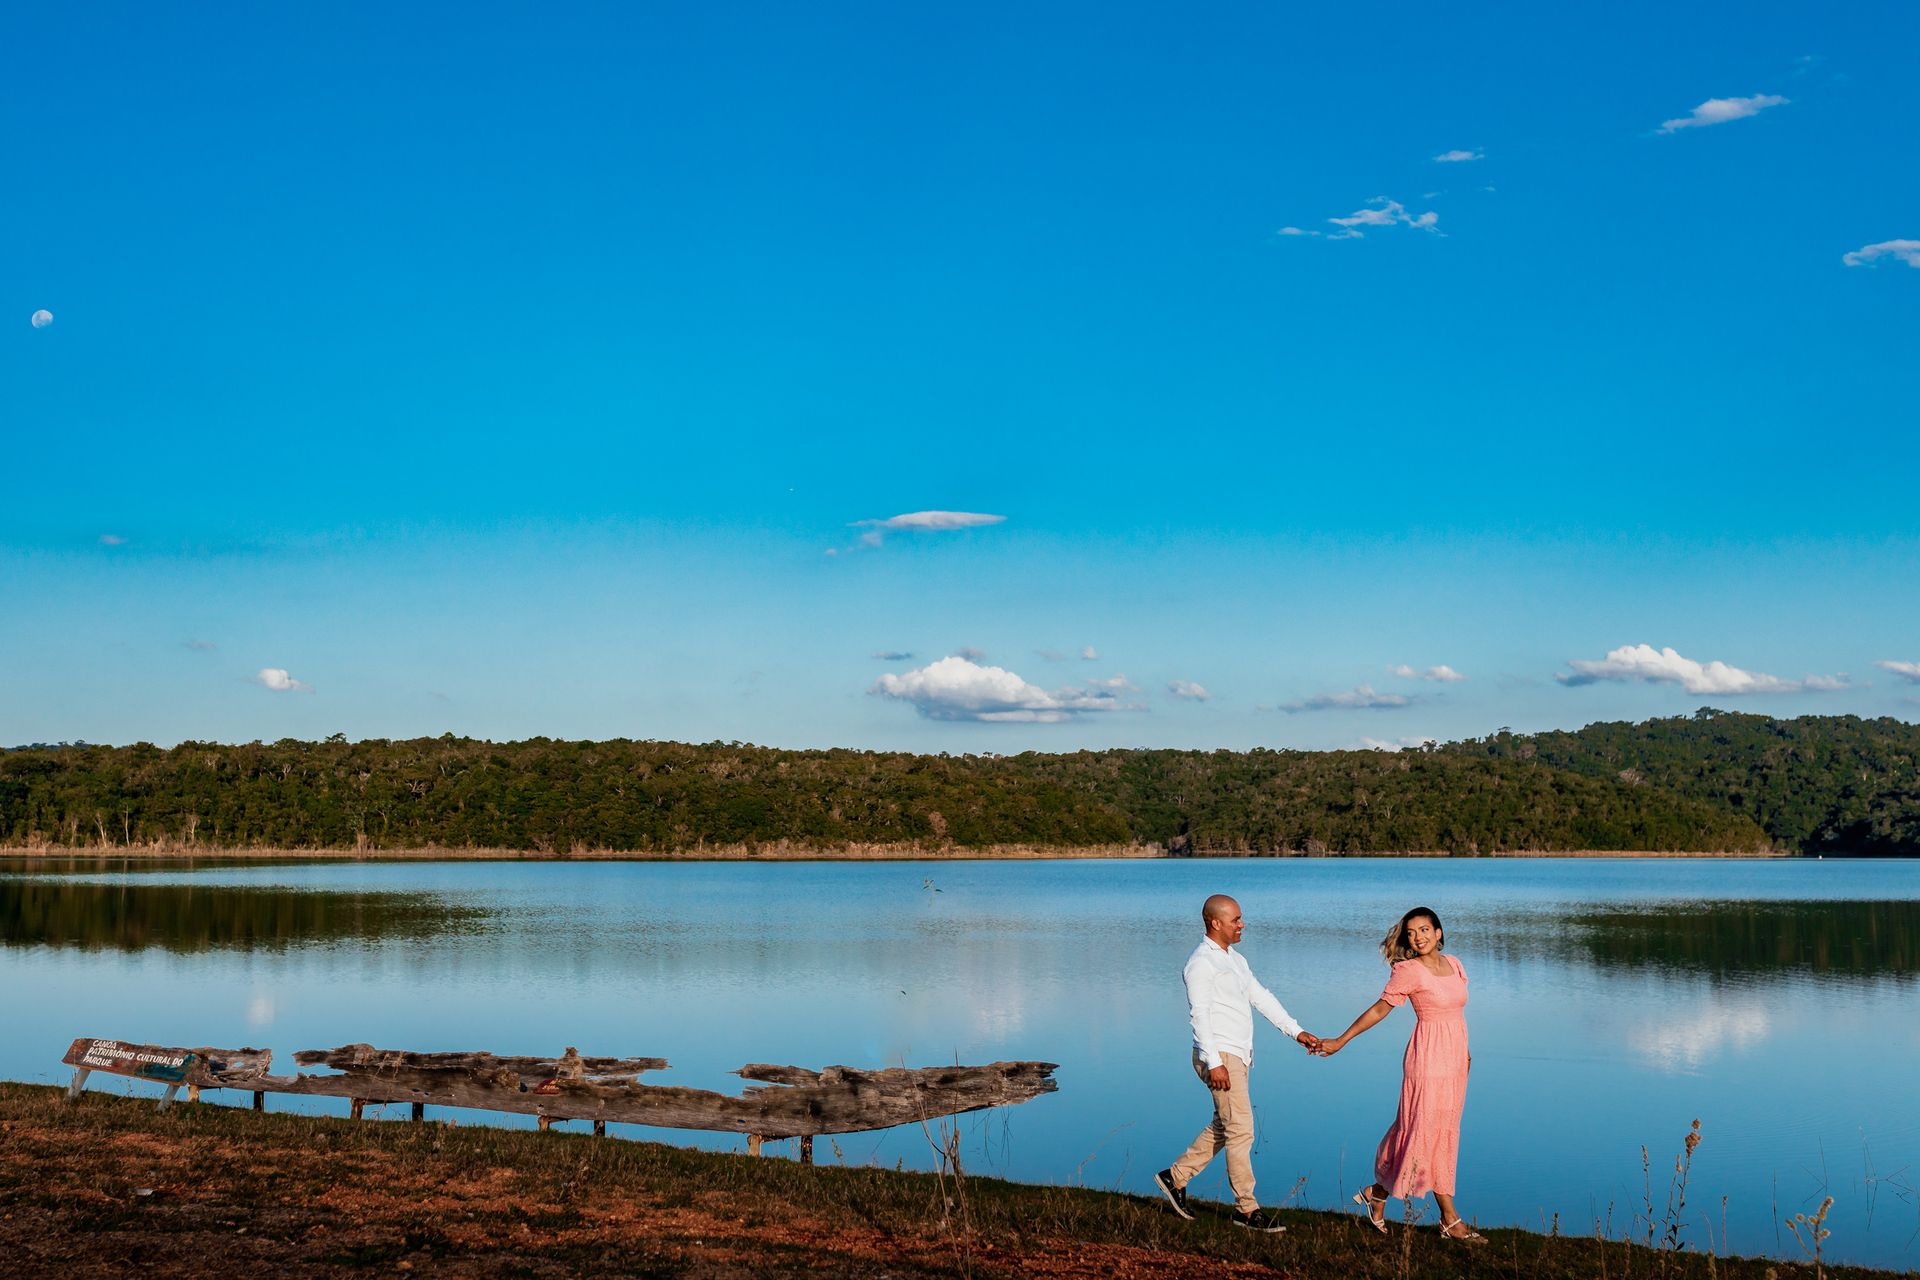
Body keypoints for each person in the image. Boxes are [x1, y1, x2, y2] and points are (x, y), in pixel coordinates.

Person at [1315, 906, 1487, 1243]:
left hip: (1454, 1061)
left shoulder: (1454, 965)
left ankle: (1377, 1194)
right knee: (1422, 1129)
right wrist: (1341, 1040)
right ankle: (1450, 1219)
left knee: (1441, 1131)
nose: (1418, 937)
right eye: (1411, 933)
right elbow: (1380, 1008)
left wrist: (1466, 1054)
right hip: (1426, 1059)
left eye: (1424, 930)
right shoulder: (1409, 971)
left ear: (1438, 932)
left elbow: (1456, 1013)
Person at [1153, 894, 1320, 1232]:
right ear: (1216, 923)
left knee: (1226, 1124)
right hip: (1219, 1056)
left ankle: (1175, 1177)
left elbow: (1260, 996)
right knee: (1241, 1129)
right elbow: (1198, 1016)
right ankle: (1246, 1210)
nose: (1242, 925)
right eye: (1236, 920)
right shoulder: (1201, 963)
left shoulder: (1234, 960)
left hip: (1236, 1057)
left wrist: (1296, 1031)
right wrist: (1215, 1063)